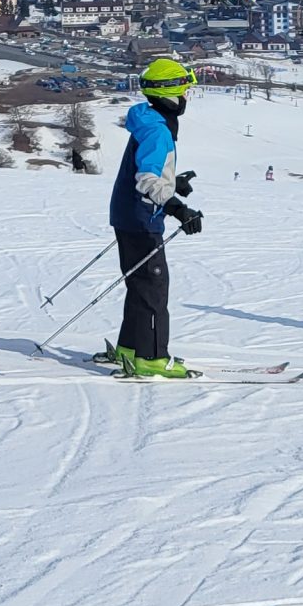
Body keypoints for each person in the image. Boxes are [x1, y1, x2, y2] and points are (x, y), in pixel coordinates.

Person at [105, 57, 202, 378]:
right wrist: (176, 207)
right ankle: (151, 358)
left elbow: (148, 169)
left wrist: (174, 182)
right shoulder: (158, 131)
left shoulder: (148, 121)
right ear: (169, 93)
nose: (186, 97)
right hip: (141, 218)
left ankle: (130, 348)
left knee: (140, 283)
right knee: (153, 287)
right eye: (184, 91)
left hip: (128, 214)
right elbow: (146, 179)